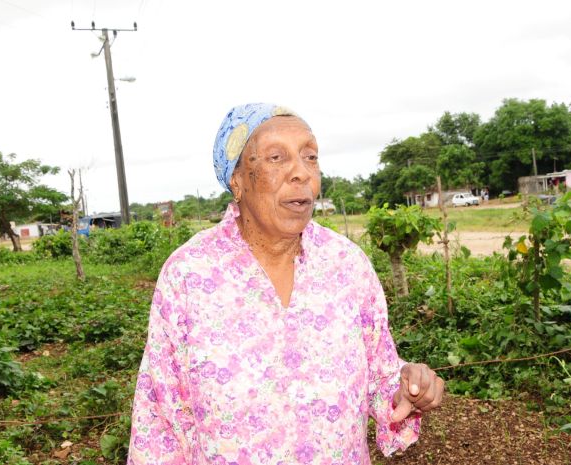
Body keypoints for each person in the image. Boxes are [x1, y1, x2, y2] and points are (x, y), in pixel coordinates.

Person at [128, 103, 444, 464]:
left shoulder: (347, 265)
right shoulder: (189, 275)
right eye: (277, 157)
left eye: (310, 157)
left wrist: (405, 389)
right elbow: (159, 419)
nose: (301, 173)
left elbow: (381, 375)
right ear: (237, 181)